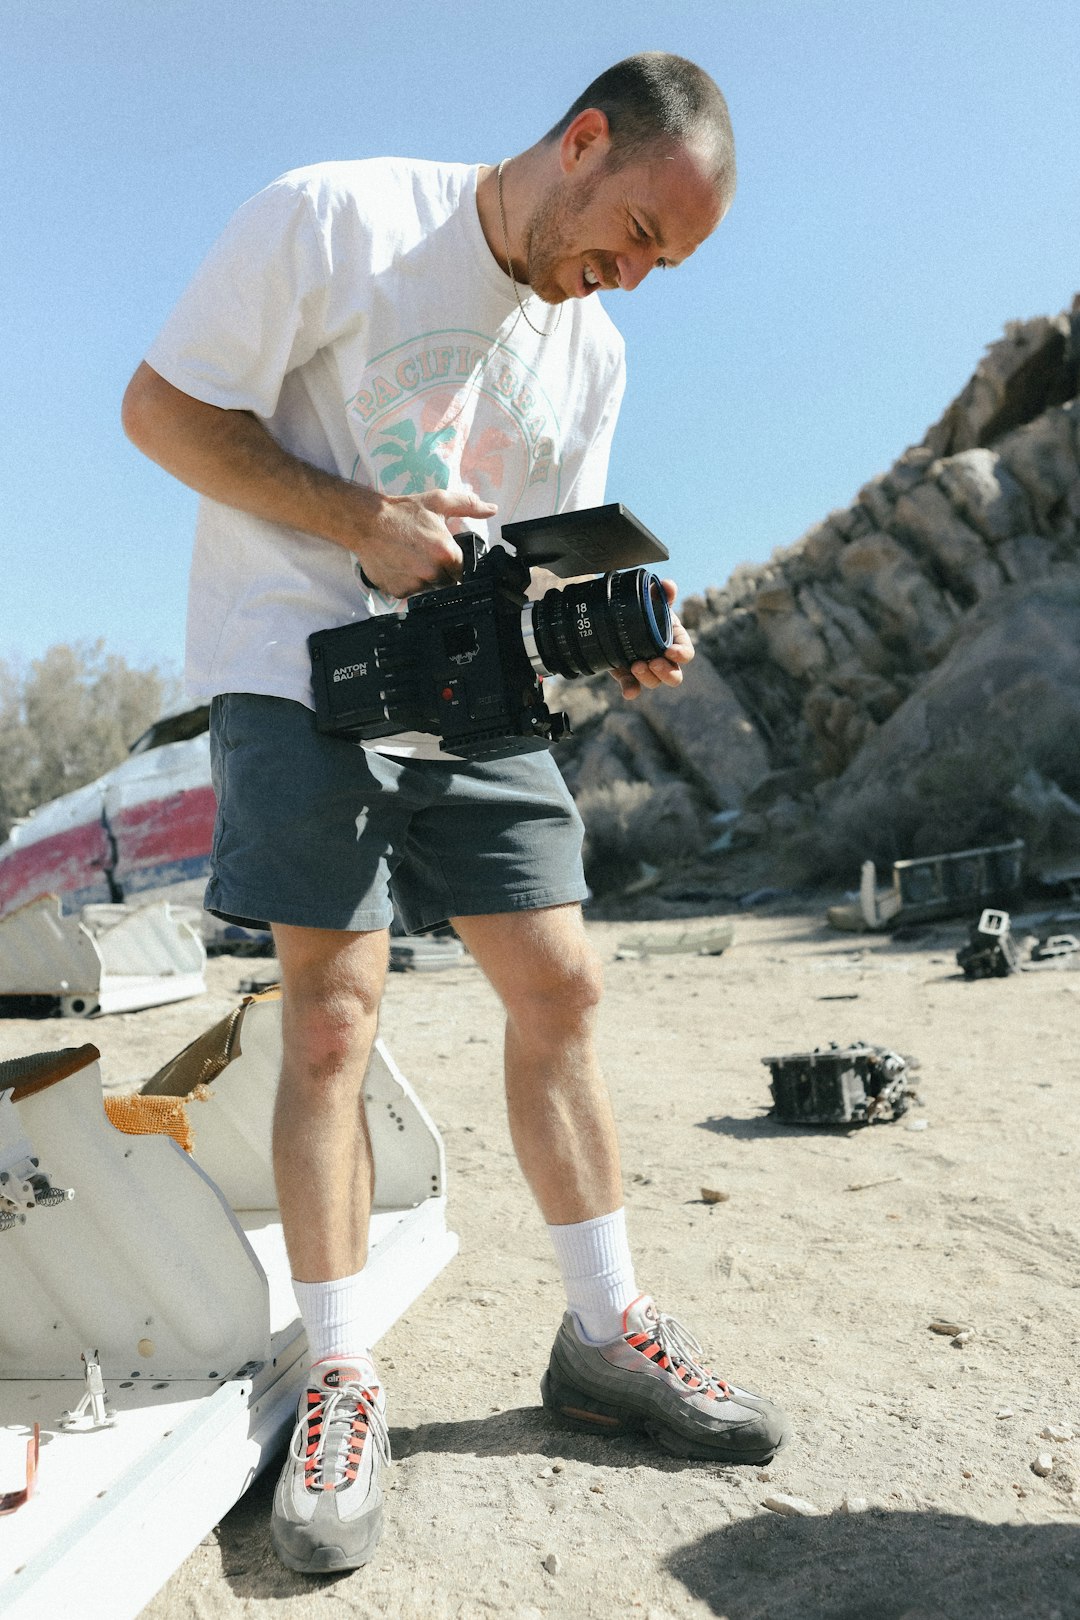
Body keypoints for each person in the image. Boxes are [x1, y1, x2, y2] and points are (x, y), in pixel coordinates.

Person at [122, 51, 789, 1575]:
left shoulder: (593, 353)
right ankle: (342, 1372)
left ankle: (608, 1334)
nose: (624, 278)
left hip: (476, 705)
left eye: (658, 268)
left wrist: (609, 637)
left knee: (560, 981)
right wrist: (360, 518)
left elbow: (534, 570)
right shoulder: (333, 220)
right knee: (335, 1016)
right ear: (581, 140)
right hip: (298, 667)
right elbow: (159, 412)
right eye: (628, 236)